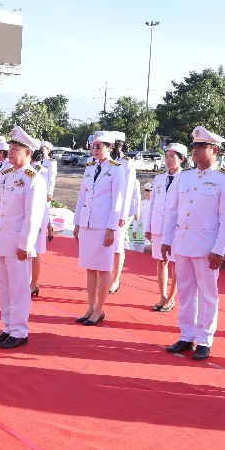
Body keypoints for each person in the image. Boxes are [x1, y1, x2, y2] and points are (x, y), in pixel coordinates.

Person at [161, 127, 225, 360]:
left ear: (215, 150)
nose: (195, 150)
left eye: (201, 146)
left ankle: (205, 339)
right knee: (185, 293)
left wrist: (219, 249)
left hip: (207, 248)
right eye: (194, 146)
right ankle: (186, 335)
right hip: (183, 243)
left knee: (207, 295)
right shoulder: (185, 176)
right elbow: (173, 210)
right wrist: (167, 239)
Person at [0, 126, 48, 349]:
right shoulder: (5, 175)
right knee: (5, 288)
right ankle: (8, 327)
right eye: (10, 149)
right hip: (3, 240)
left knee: (20, 289)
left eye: (15, 150)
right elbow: (0, 209)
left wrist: (26, 244)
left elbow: (33, 216)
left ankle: (20, 331)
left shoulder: (34, 179)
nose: (10, 153)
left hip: (18, 243)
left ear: (27, 153)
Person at [73, 131, 127, 326]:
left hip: (104, 225)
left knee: (103, 268)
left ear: (110, 148)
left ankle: (99, 310)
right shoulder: (90, 167)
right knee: (90, 267)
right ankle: (90, 307)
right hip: (88, 223)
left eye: (99, 146)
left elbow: (118, 201)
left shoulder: (117, 169)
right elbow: (82, 196)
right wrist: (77, 222)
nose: (94, 150)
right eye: (93, 146)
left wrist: (112, 228)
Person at [145, 143, 187, 312]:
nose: (168, 160)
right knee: (161, 261)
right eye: (167, 157)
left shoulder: (186, 178)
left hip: (176, 228)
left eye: (172, 157)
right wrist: (147, 226)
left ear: (181, 159)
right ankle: (162, 296)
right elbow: (153, 203)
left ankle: (171, 297)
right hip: (158, 226)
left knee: (176, 263)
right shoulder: (159, 178)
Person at [110, 132, 141, 294]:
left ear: (120, 145)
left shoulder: (127, 162)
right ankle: (104, 276)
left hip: (121, 210)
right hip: (105, 208)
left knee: (117, 244)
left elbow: (128, 190)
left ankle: (115, 279)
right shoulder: (106, 161)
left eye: (113, 145)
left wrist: (122, 215)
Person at [28, 145, 52, 297]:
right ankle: (28, 281)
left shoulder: (38, 171)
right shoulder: (26, 170)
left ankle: (33, 284)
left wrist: (45, 224)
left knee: (34, 252)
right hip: (28, 216)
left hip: (37, 216)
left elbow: (42, 200)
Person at [39, 141, 58, 241]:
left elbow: (51, 179)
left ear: (49, 150)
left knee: (44, 211)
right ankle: (49, 229)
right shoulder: (37, 161)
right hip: (36, 190)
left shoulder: (51, 162)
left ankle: (48, 230)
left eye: (44, 149)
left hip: (45, 191)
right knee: (42, 212)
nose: (42, 151)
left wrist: (50, 193)